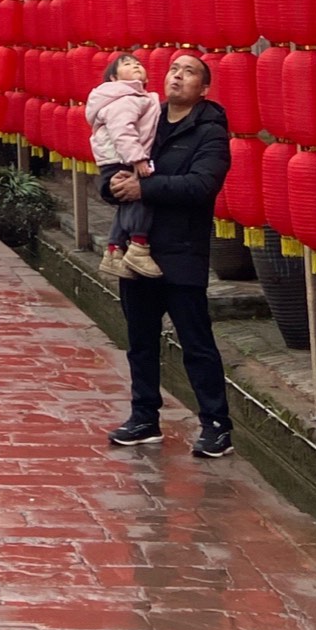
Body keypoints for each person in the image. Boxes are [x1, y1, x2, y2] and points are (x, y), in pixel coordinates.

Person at [106, 50, 235, 461]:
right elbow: (114, 160)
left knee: (196, 343)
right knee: (140, 342)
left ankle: (216, 425)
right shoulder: (146, 117)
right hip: (136, 250)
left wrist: (146, 189)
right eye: (174, 69)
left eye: (190, 72)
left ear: (204, 88)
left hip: (180, 251)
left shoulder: (210, 131)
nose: (178, 77)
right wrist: (112, 186)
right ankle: (144, 417)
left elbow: (201, 186)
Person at [84, 55, 161, 280]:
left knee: (126, 204)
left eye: (138, 63)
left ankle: (113, 250)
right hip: (122, 157)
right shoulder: (124, 98)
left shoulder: (136, 97)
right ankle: (138, 245)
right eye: (127, 64)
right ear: (114, 78)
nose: (136, 65)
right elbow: (122, 131)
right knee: (140, 196)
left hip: (120, 156)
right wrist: (137, 159)